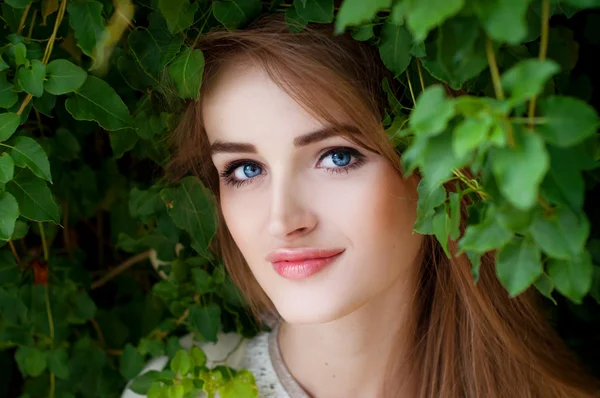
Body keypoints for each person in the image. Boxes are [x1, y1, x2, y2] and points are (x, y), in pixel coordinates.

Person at [124, 12, 599, 398]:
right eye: (246, 169)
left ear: (440, 171)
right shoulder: (174, 389)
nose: (282, 221)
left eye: (337, 156)